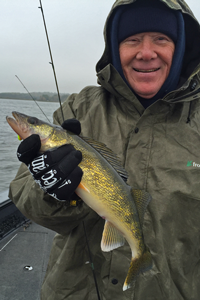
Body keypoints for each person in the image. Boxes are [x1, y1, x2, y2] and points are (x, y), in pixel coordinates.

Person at [9, 0, 200, 299]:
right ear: (115, 48)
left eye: (161, 39)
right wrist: (49, 191)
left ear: (181, 47)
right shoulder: (79, 110)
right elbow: (26, 200)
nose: (146, 52)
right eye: (132, 40)